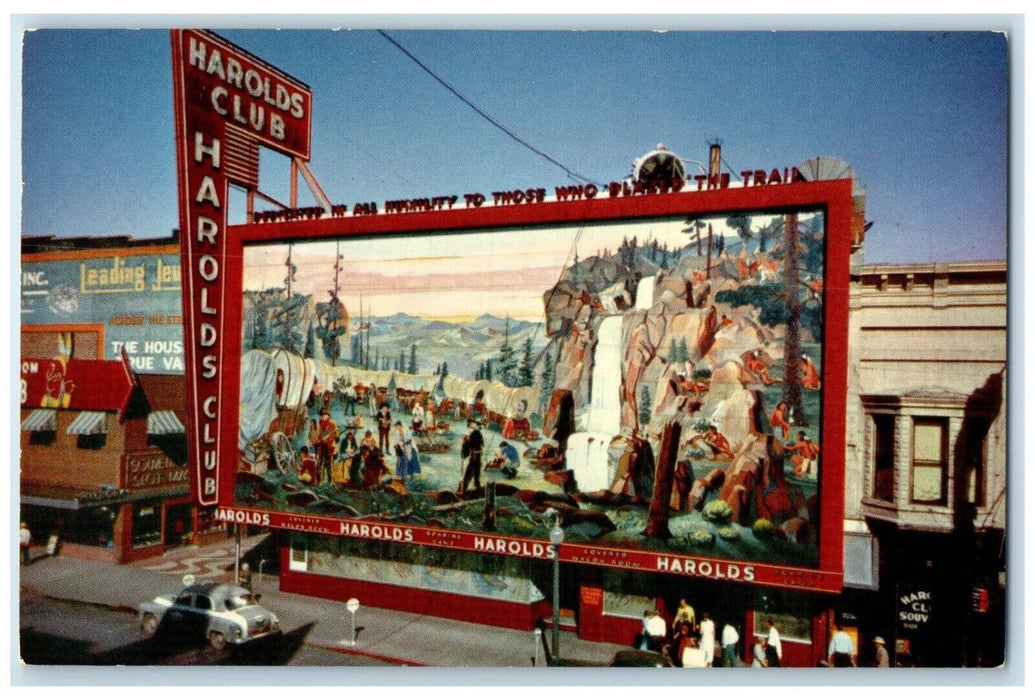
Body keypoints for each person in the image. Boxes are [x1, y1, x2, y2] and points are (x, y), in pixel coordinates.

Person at [313, 409, 339, 484]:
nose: (324, 417)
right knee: (319, 465)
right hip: (322, 447)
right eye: (322, 416)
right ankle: (319, 481)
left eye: (325, 415)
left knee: (329, 466)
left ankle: (330, 482)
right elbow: (319, 434)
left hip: (329, 447)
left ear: (328, 416)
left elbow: (336, 436)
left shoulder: (332, 423)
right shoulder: (321, 423)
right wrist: (318, 439)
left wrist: (328, 438)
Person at [460, 419, 484, 493]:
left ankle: (468, 489)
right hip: (474, 456)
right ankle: (467, 490)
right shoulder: (474, 433)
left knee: (473, 474)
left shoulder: (476, 433)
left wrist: (468, 440)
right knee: (473, 474)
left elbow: (478, 443)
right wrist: (466, 441)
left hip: (476, 456)